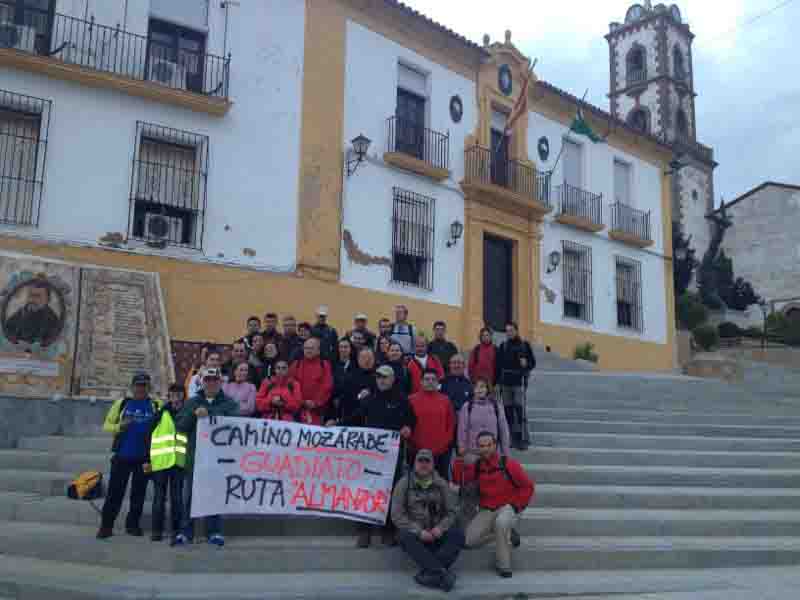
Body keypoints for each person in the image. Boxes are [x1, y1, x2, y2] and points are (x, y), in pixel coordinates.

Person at [344, 365, 414, 548]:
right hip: (371, 455)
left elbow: (411, 419)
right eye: (378, 377)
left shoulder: (402, 399)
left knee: (390, 492)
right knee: (366, 490)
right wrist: (336, 425)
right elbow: (354, 418)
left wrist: (408, 427)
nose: (381, 380)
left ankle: (388, 531)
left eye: (384, 377)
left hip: (392, 455)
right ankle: (364, 530)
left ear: (392, 379)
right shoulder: (370, 399)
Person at [453, 431, 534, 578]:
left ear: (495, 445)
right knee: (468, 541)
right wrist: (461, 460)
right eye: (481, 446)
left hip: (508, 507)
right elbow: (464, 483)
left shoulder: (508, 463)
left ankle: (504, 566)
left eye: (488, 445)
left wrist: (516, 506)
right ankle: (508, 534)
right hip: (487, 509)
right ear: (477, 447)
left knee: (501, 523)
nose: (485, 449)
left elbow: (528, 487)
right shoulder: (477, 466)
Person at [175, 368, 239, 546]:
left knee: (214, 496)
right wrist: (193, 415)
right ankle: (186, 532)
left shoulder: (229, 403)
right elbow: (180, 426)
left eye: (214, 380)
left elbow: (235, 424)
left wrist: (209, 415)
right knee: (189, 497)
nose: (211, 383)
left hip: (218, 459)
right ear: (202, 382)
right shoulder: (192, 402)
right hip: (195, 458)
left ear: (220, 382)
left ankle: (214, 531)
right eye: (208, 380)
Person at [96, 372, 160, 539]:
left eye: (144, 385)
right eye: (138, 385)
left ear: (149, 387)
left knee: (139, 494)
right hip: (122, 457)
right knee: (114, 493)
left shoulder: (156, 405)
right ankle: (106, 526)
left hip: (145, 459)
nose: (141, 389)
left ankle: (133, 525)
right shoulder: (122, 403)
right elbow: (107, 425)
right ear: (132, 387)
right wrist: (120, 426)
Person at [392, 449, 463, 592]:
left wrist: (441, 528)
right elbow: (396, 514)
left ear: (433, 465)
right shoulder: (404, 484)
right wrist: (419, 531)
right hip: (416, 535)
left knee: (458, 534)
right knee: (403, 536)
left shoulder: (442, 484)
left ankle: (430, 573)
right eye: (420, 461)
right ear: (414, 464)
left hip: (437, 533)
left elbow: (453, 512)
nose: (423, 464)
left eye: (427, 461)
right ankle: (441, 573)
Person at [149, 384, 187, 544]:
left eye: (179, 394)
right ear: (169, 396)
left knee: (177, 499)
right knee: (159, 498)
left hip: (179, 462)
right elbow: (149, 435)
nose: (176, 397)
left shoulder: (188, 413)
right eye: (173, 394)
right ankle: (156, 531)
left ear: (183, 396)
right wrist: (147, 460)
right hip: (161, 462)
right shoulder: (160, 413)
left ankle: (176, 531)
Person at [409, 369, 456, 480]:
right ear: (421, 381)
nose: (430, 382)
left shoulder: (445, 400)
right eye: (427, 379)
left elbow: (451, 423)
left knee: (440, 482)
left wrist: (445, 443)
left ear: (437, 382)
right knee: (417, 481)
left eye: (433, 379)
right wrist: (413, 443)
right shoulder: (411, 400)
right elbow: (407, 424)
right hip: (417, 450)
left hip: (441, 451)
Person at [496, 322, 535, 451]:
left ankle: (522, 439)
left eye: (511, 330)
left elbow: (532, 363)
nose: (509, 333)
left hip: (519, 383)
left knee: (520, 412)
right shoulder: (503, 346)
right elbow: (498, 365)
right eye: (507, 331)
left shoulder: (524, 345)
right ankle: (510, 438)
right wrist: (497, 382)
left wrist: (526, 364)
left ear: (516, 331)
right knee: (508, 412)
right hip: (505, 383)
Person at [457, 379, 511, 458]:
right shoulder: (467, 407)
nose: (479, 389)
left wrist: (505, 452)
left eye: (482, 387)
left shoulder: (496, 406)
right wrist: (462, 447)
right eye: (476, 387)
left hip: (493, 451)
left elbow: (503, 430)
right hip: (473, 452)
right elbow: (462, 429)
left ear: (487, 389)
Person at [290, 338, 333, 425]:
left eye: (311, 348)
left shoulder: (324, 365)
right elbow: (290, 386)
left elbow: (327, 386)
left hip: (317, 411)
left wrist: (316, 402)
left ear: (318, 351)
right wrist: (302, 402)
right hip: (298, 410)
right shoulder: (296, 364)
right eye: (306, 348)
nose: (308, 350)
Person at [4, 279, 60, 346]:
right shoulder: (21, 312)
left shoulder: (52, 320)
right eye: (30, 295)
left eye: (37, 296)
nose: (32, 299)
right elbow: (7, 329)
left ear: (48, 299)